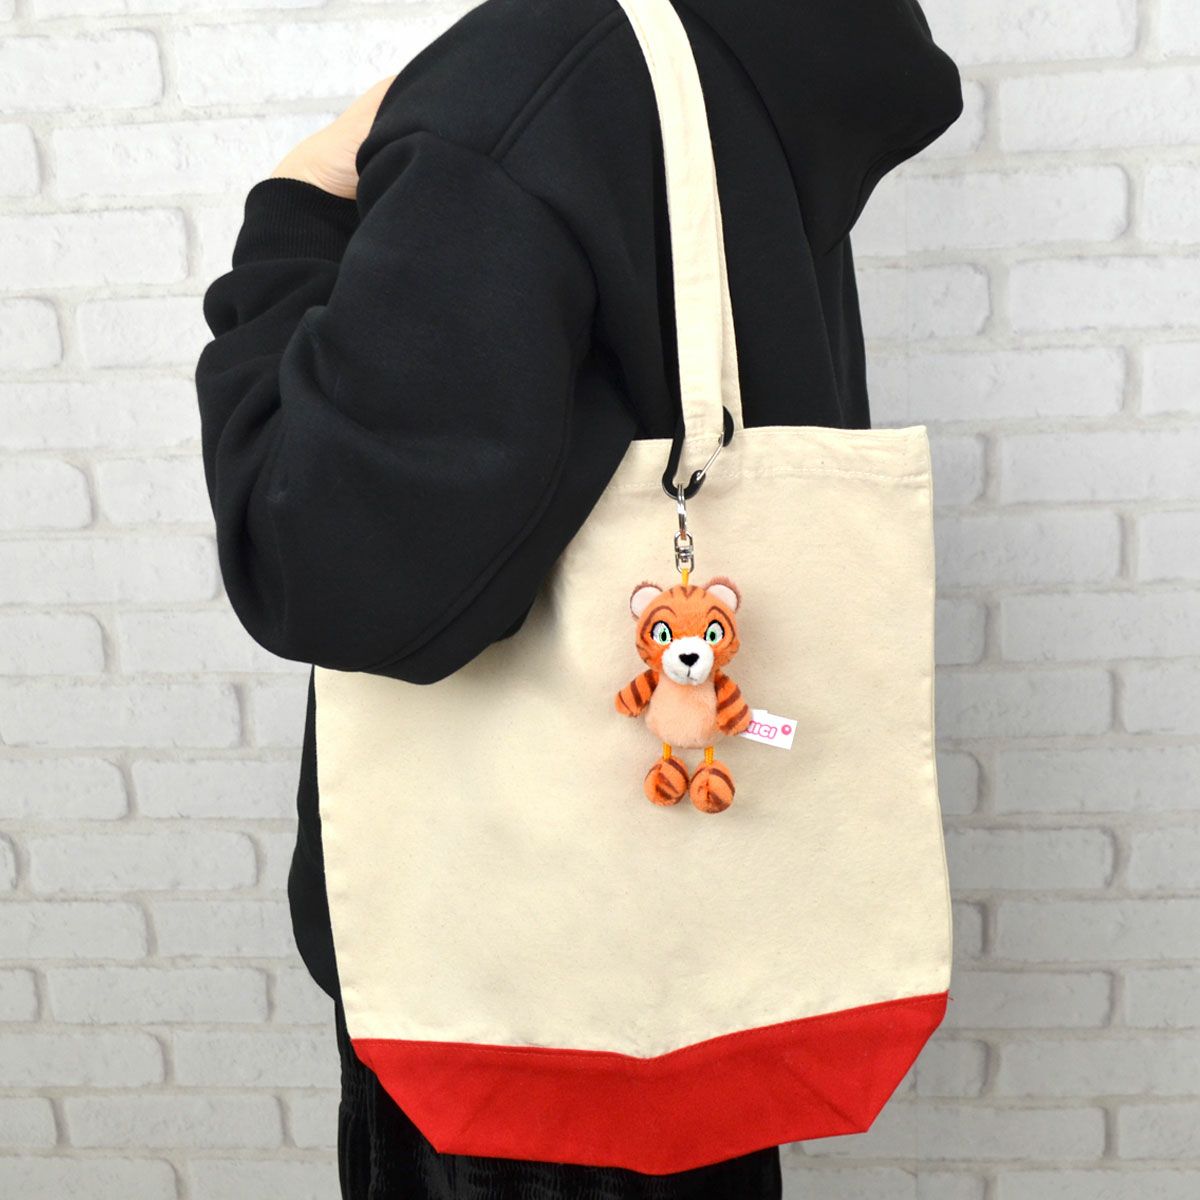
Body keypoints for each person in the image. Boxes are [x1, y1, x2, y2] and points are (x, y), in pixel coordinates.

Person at [195, 0, 963, 1195]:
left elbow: (328, 569)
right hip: (702, 935)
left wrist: (295, 210)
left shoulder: (536, 78)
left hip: (513, 978)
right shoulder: (748, 40)